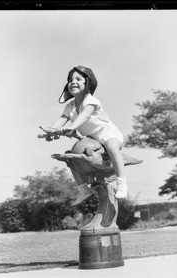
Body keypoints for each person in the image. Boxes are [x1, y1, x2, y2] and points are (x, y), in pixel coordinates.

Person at [42, 65, 128, 206]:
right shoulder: (70, 106)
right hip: (91, 141)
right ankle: (83, 189)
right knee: (69, 156)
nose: (73, 82)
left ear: (87, 83)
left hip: (108, 134)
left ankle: (122, 183)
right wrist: (50, 131)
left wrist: (71, 128)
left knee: (112, 146)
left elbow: (85, 115)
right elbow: (61, 120)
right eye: (70, 80)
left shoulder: (90, 100)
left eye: (78, 79)